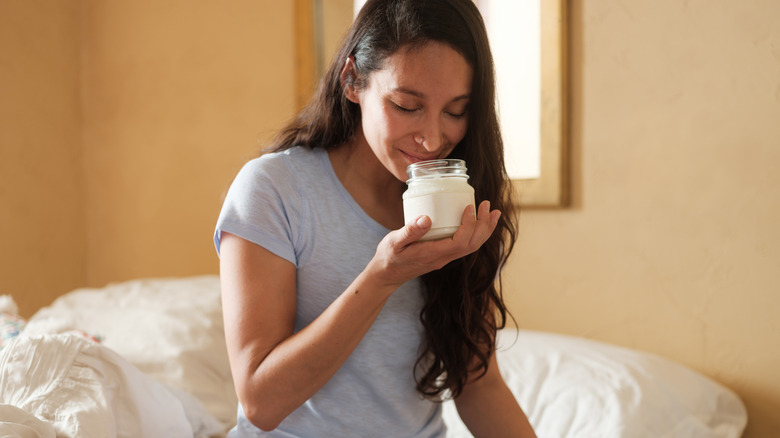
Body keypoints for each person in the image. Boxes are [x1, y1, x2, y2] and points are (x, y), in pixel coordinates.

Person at [214, 0, 537, 436]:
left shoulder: (455, 201)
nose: (433, 137)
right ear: (353, 81)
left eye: (456, 110)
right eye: (407, 105)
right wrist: (383, 276)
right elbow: (260, 402)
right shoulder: (276, 190)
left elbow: (479, 385)